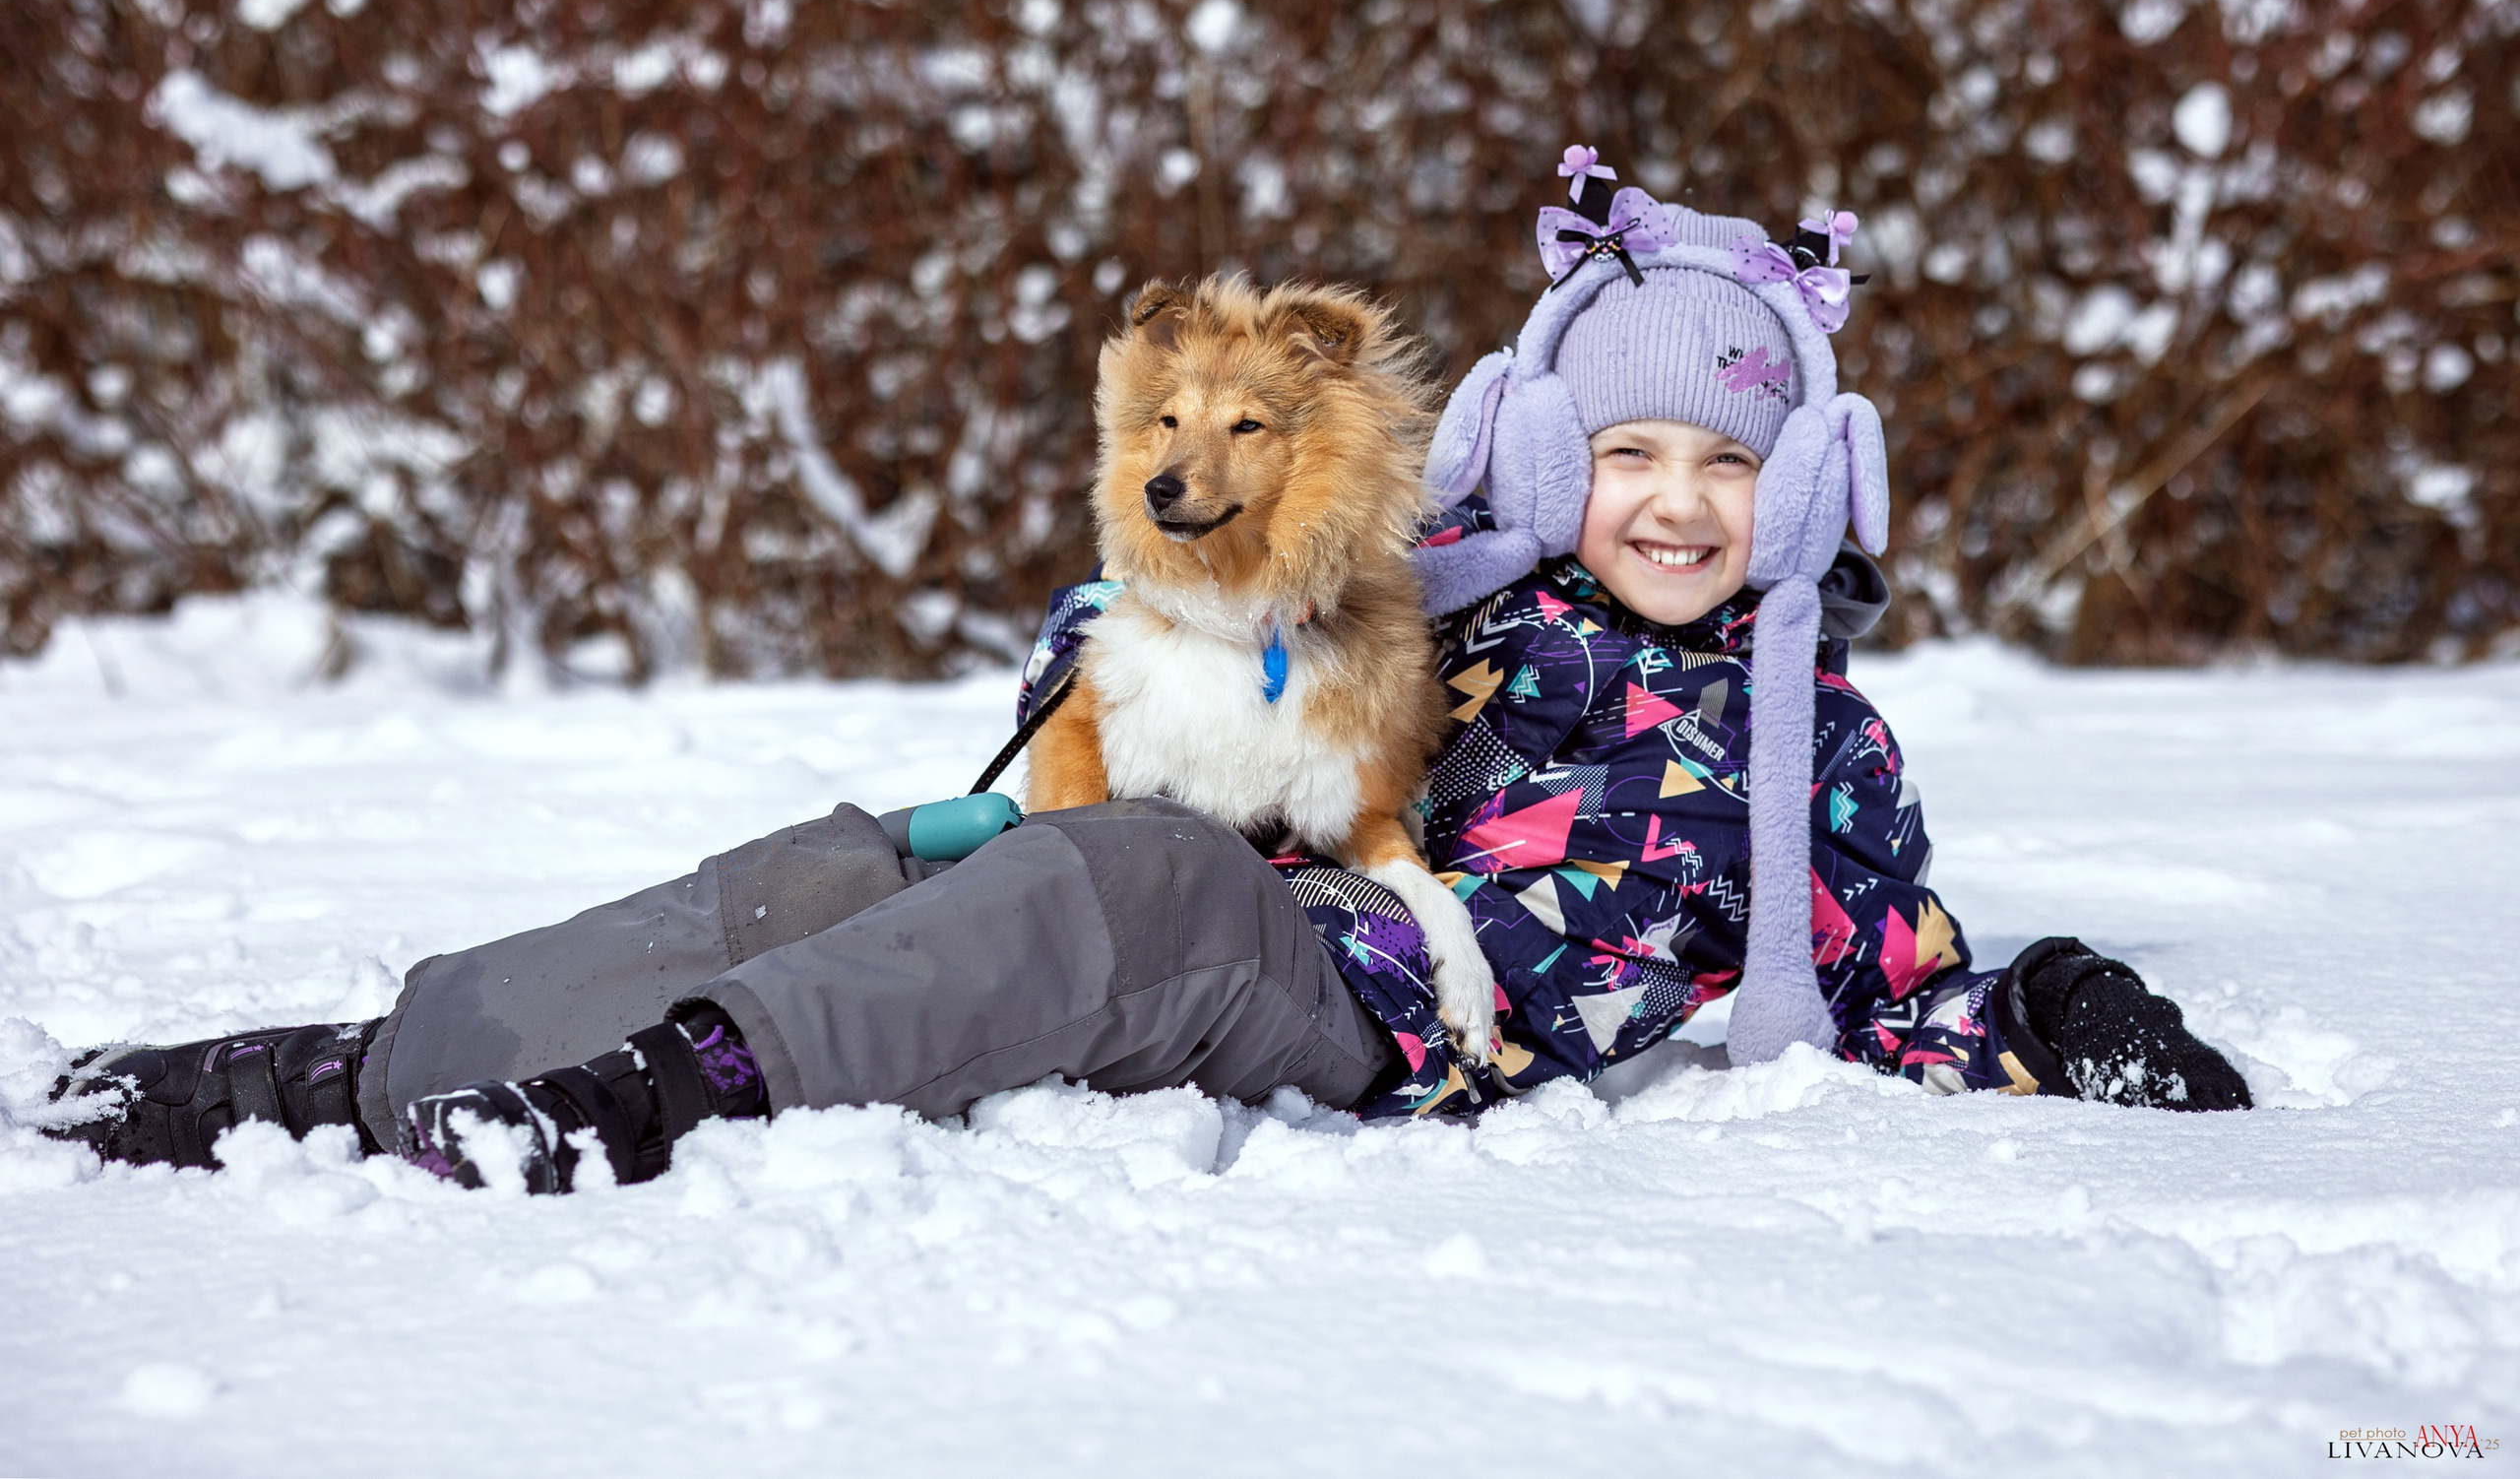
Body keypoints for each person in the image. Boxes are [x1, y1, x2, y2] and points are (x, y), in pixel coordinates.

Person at [44, 150, 2245, 1193]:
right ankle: (362, 1062)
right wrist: (1123, 634)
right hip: (1201, 877)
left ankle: (656, 1099)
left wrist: (2048, 999)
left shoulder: (1808, 743)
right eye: (1630, 452)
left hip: (1382, 1016)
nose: (1673, 501)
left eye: (1726, 464)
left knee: (1130, 897)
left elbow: (1884, 960)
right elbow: (1158, 637)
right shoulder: (1444, 598)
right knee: (872, 856)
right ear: (1558, 460)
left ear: (1793, 493)